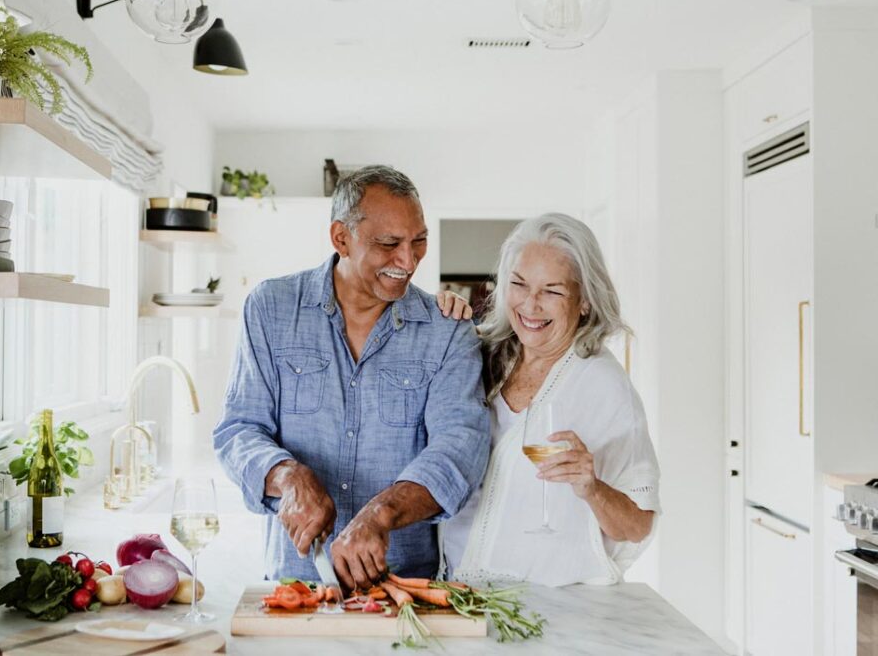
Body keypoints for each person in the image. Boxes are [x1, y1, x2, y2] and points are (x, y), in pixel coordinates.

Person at [214, 165, 490, 589]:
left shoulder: (448, 329)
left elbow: (460, 449)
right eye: (388, 244)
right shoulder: (271, 308)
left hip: (404, 588)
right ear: (341, 238)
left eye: (419, 242)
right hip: (294, 584)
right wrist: (287, 477)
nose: (408, 260)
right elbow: (238, 430)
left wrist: (381, 514)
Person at [440, 212, 660, 587]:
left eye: (552, 291)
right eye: (519, 284)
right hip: (456, 590)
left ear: (585, 301)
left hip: (546, 606)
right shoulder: (482, 354)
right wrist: (438, 317)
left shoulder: (603, 387)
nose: (530, 304)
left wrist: (592, 487)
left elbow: (637, 525)